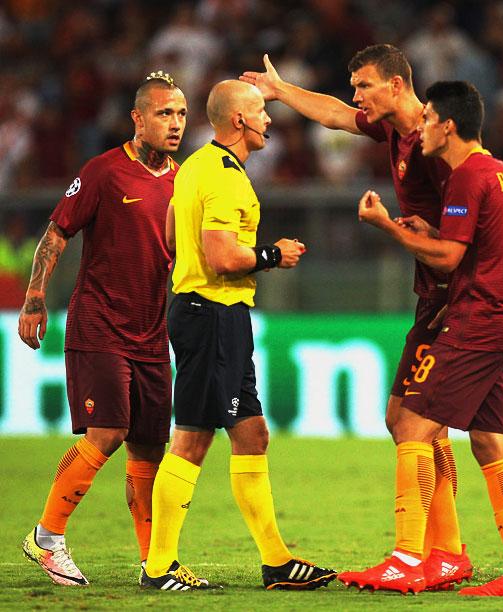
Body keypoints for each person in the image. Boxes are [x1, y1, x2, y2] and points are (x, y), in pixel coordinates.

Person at [241, 44, 471, 588]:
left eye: (364, 84)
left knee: (434, 426)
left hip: (460, 295)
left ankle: (427, 554)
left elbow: (464, 229)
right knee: (414, 423)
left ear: (396, 85)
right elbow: (336, 114)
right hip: (434, 294)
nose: (356, 96)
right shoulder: (394, 129)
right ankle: (449, 550)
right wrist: (280, 92)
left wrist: (404, 229)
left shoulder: (438, 142)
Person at [338, 81, 503, 597]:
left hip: (473, 323)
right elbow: (476, 246)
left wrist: (388, 227)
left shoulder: (466, 176)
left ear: (448, 125)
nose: (420, 129)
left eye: (428, 119)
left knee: (412, 424)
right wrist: (429, 231)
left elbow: (451, 260)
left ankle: (408, 558)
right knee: (491, 441)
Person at [141, 80, 336, 591]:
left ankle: (276, 562)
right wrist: (274, 254)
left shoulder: (195, 168)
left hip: (214, 313)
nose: (269, 119)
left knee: (252, 433)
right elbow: (223, 256)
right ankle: (158, 566)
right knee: (191, 440)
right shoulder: (226, 178)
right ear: (238, 121)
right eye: (260, 111)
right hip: (212, 314)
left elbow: (169, 235)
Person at [20, 71, 187, 586]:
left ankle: (153, 564)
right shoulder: (104, 171)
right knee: (108, 432)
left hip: (152, 334)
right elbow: (57, 232)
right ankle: (46, 538)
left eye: (181, 113)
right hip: (99, 325)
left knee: (148, 449)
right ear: (138, 119)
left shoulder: (184, 179)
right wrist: (34, 297)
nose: (175, 123)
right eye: (164, 113)